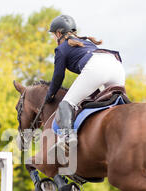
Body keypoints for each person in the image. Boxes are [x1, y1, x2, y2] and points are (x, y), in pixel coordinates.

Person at [45, 14, 126, 158]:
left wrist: (50, 95)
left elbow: (58, 77)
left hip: (98, 67)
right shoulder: (87, 43)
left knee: (66, 103)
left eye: (53, 35)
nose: (53, 38)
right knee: (115, 103)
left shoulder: (62, 48)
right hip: (116, 66)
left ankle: (68, 139)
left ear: (58, 33)